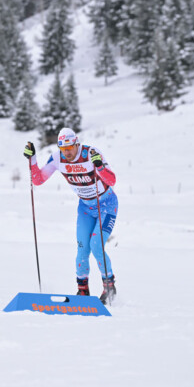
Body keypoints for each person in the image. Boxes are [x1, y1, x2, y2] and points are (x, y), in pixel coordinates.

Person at [23, 127, 118, 305]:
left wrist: (99, 167)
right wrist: (32, 160)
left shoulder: (91, 153)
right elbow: (38, 180)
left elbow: (111, 180)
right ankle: (83, 290)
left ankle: (109, 287)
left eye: (69, 148)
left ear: (76, 144)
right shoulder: (57, 158)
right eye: (63, 149)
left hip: (106, 205)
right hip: (85, 208)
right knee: (82, 248)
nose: (66, 152)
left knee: (96, 245)